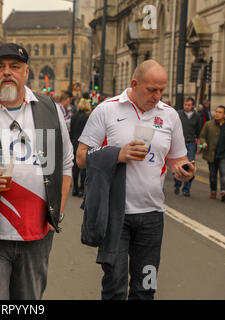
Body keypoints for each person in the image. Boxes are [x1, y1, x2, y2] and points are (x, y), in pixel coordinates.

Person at [0, 43, 73, 300]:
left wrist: (59, 211)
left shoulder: (50, 109)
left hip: (37, 236)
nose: (7, 72)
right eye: (0, 67)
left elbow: (65, 165)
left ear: (26, 72)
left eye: (14, 66)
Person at [76, 60, 195, 300]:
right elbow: (80, 157)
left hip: (152, 215)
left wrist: (184, 168)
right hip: (115, 215)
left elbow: (177, 158)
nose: (157, 95)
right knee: (115, 288)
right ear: (134, 83)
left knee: (146, 288)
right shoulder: (107, 110)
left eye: (162, 90)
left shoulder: (169, 115)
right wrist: (116, 154)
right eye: (152, 89)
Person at [174, 97, 201, 197]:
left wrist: (199, 144)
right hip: (180, 142)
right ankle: (177, 184)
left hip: (191, 143)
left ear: (193, 105)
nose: (187, 107)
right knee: (178, 164)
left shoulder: (197, 116)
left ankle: (186, 189)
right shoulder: (178, 114)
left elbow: (199, 131)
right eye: (185, 104)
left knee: (189, 166)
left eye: (189, 105)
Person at [199, 105, 225, 201]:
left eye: (220, 112)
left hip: (224, 155)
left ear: (224, 114)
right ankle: (213, 191)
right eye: (216, 111)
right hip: (211, 154)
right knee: (213, 175)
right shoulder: (208, 124)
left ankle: (223, 192)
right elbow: (202, 136)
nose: (217, 114)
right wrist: (203, 143)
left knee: (224, 173)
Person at [69, 92, 91, 197]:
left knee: (75, 167)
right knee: (83, 167)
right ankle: (82, 188)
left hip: (74, 142)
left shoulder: (73, 117)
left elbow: (71, 130)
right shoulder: (88, 117)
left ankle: (75, 188)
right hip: (84, 143)